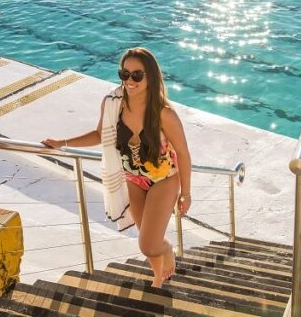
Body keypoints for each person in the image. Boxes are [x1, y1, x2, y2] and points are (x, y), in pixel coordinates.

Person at [42, 48, 192, 288]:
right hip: (133, 179)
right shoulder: (114, 104)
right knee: (145, 237)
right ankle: (158, 280)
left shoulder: (164, 114)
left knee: (149, 244)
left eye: (137, 75)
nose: (129, 81)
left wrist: (186, 192)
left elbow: (183, 153)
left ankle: (167, 249)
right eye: (124, 74)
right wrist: (62, 143)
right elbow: (101, 134)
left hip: (164, 180)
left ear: (150, 76)